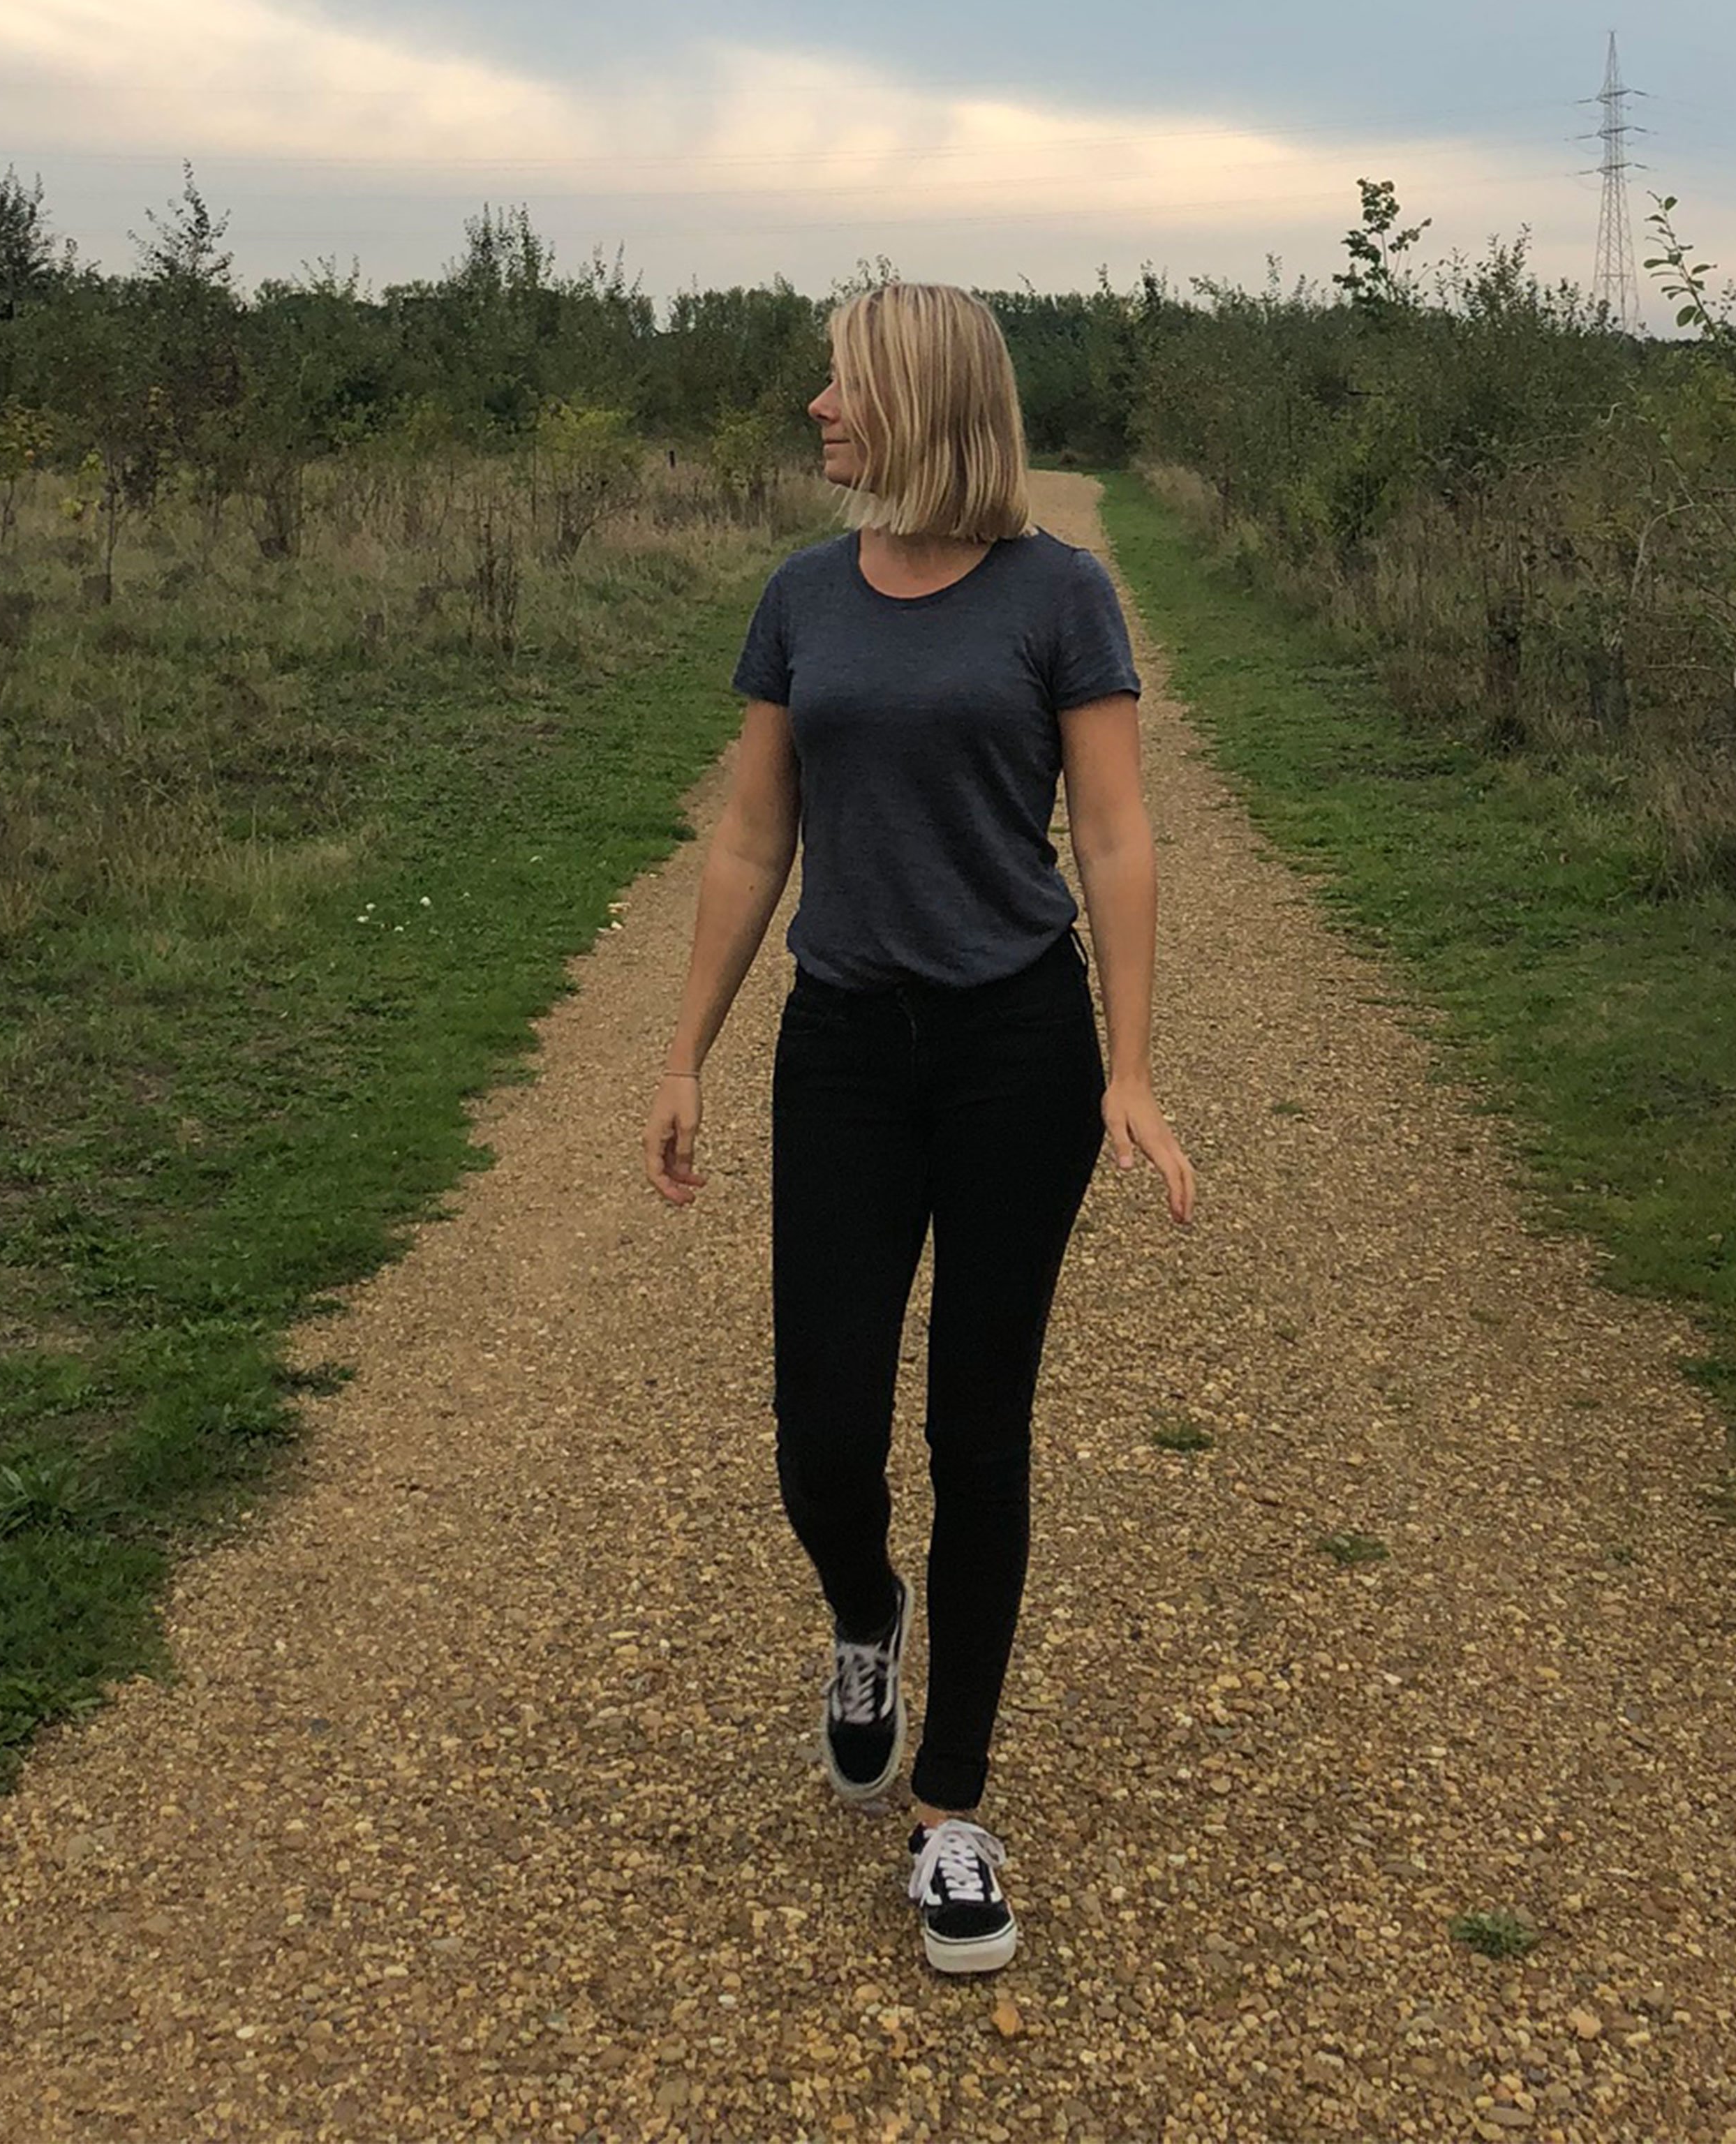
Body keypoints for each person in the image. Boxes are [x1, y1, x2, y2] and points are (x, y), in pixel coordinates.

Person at [642, 282, 1194, 1976]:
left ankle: (953, 1809)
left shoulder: (1060, 595)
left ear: (923, 397)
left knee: (978, 1428)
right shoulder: (801, 597)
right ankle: (864, 1614)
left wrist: (1129, 1067)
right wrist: (684, 1054)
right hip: (844, 1051)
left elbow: (1114, 837)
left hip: (1016, 1050)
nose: (818, 405)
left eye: (843, 380)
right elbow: (753, 837)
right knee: (823, 1432)